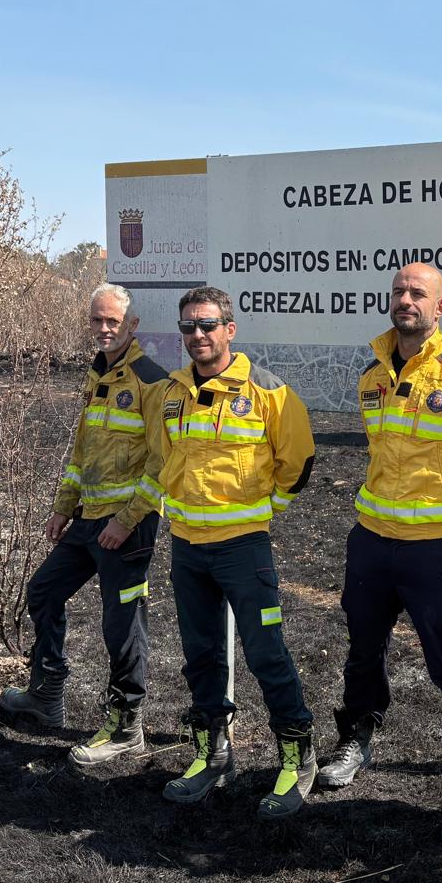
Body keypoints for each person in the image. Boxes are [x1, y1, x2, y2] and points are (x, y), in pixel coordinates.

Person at [315, 263, 442, 847]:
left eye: (418, 293)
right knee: (362, 654)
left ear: (441, 307)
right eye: (399, 291)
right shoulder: (372, 376)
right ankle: (357, 739)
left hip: (437, 553)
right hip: (373, 544)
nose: (406, 299)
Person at [154, 287, 319, 818]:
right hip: (187, 549)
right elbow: (163, 458)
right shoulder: (173, 393)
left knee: (265, 653)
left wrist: (260, 510)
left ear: (230, 328)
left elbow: (299, 463)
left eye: (206, 325)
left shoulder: (268, 392)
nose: (196, 336)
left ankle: (298, 754)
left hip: (242, 548)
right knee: (201, 657)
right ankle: (212, 754)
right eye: (187, 327)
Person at [0, 283, 168, 768]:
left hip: (126, 530)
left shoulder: (150, 381)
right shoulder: (98, 377)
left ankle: (126, 725)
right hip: (86, 522)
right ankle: (47, 695)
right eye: (96, 320)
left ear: (132, 326)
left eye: (112, 321)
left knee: (123, 628)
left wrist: (126, 520)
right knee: (43, 593)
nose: (103, 328)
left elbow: (162, 465)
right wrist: (62, 506)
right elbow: (81, 455)